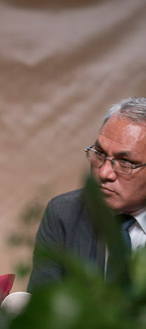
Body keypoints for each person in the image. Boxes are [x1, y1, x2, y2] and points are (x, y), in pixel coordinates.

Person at [28, 97, 146, 290]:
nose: (104, 173)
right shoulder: (64, 213)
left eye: (125, 163)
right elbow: (43, 307)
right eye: (99, 154)